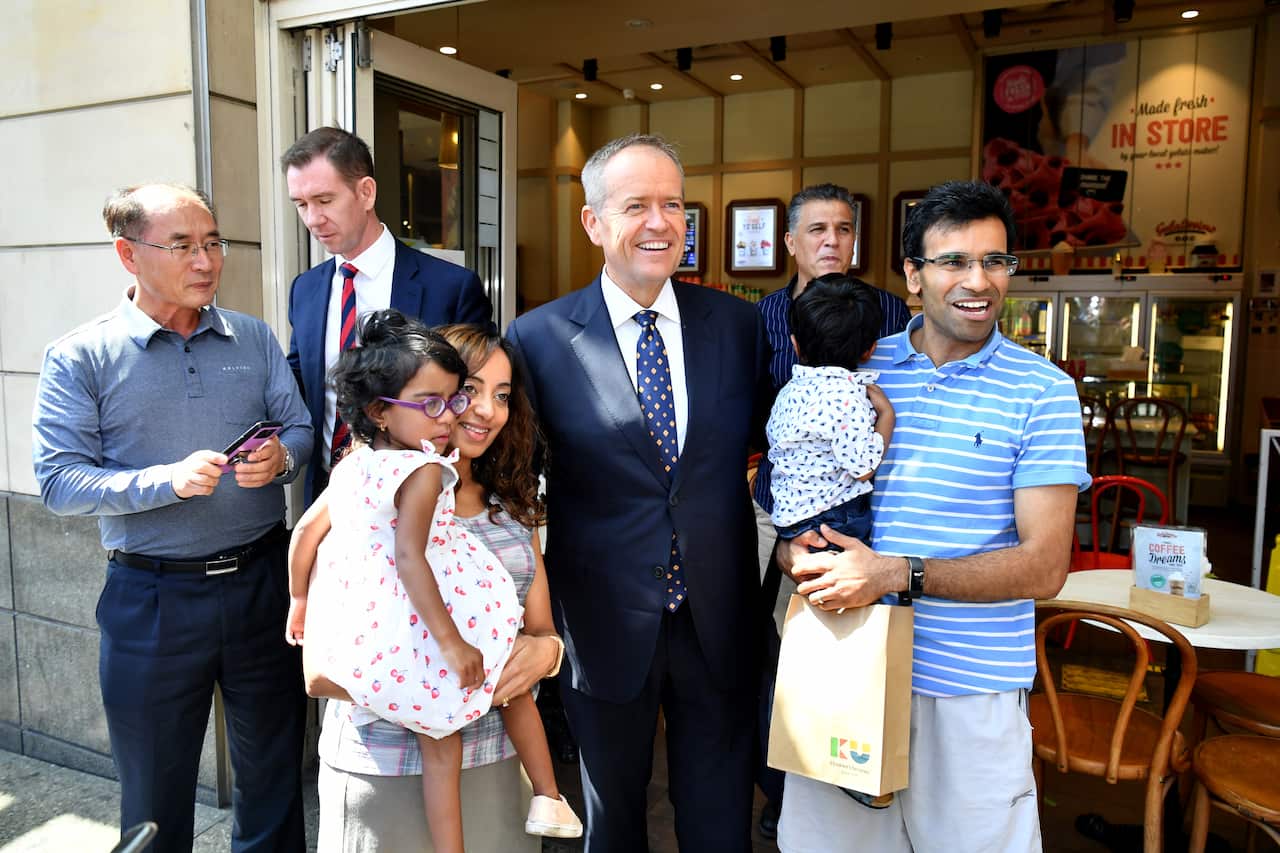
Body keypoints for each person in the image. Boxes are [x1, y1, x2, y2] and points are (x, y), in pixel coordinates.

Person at [774, 180, 1091, 853]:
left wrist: (895, 572)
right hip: (842, 672)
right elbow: (788, 488)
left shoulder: (1043, 392)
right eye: (953, 262)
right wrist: (790, 552)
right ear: (913, 276)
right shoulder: (859, 365)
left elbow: (1044, 564)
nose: (978, 281)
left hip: (967, 695)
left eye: (995, 261)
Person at [506, 133, 771, 852]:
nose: (660, 222)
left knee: (721, 821)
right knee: (611, 820)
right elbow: (511, 484)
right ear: (594, 223)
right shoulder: (539, 337)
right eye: (637, 206)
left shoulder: (739, 327)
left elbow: (780, 442)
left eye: (673, 204)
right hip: (601, 624)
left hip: (717, 618)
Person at [31, 183, 313, 853]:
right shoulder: (82, 355)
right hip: (151, 599)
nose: (206, 260)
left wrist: (280, 459)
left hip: (262, 582)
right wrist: (166, 481)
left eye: (213, 242)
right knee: (154, 796)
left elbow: (299, 426)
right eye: (182, 245)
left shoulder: (252, 335)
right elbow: (59, 481)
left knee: (275, 778)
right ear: (129, 254)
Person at [286, 312, 581, 852]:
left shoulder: (512, 510)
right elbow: (319, 673)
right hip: (384, 771)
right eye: (467, 390)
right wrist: (449, 690)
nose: (484, 410)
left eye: (503, 394)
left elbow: (540, 632)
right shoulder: (367, 504)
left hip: (496, 765)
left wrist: (548, 654)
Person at [753, 183, 913, 838]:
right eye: (816, 229)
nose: (831, 240)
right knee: (781, 650)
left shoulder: (888, 309)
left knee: (856, 644)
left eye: (843, 228)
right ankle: (786, 781)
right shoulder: (762, 314)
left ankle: (854, 759)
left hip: (859, 510)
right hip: (780, 506)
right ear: (789, 242)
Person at [282, 126, 494, 502]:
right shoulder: (306, 290)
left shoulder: (450, 286)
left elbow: (474, 394)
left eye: (324, 200)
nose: (312, 219)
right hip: (330, 493)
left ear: (366, 192)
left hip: (428, 494)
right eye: (301, 204)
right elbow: (298, 385)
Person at [767, 274, 893, 554]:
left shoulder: (790, 390)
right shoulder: (847, 396)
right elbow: (862, 469)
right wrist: (886, 417)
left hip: (791, 517)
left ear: (795, 343)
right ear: (869, 350)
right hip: (833, 519)